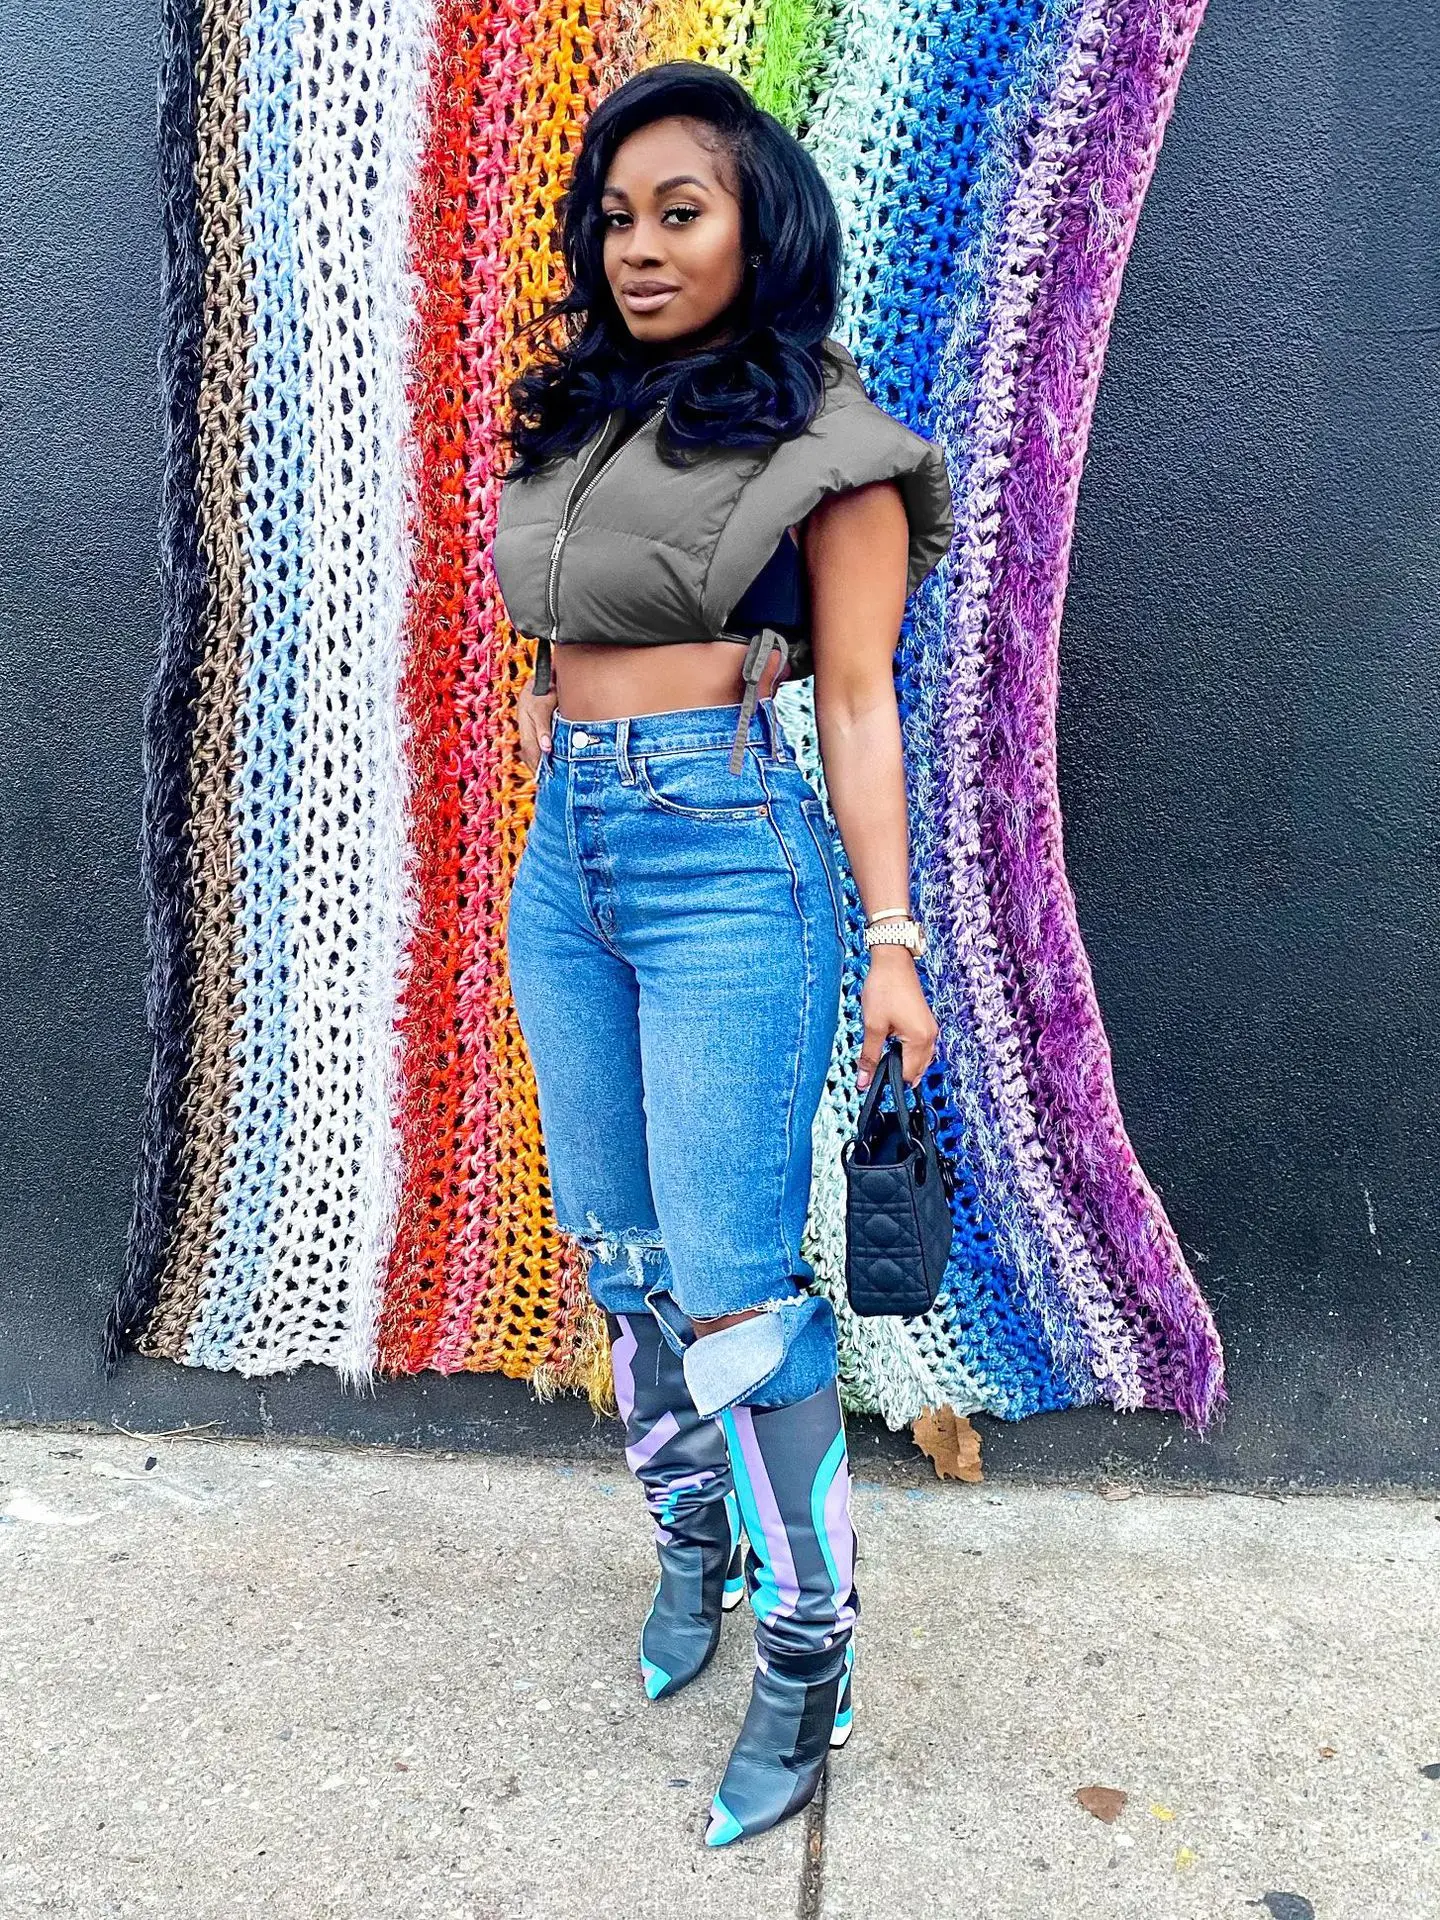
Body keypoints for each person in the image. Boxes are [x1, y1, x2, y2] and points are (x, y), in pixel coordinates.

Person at [492, 60, 953, 1848]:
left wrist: (895, 939)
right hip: (571, 860)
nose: (639, 246)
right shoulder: (589, 417)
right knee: (623, 1254)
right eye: (616, 217)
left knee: (736, 1288)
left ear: (761, 227)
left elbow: (861, 702)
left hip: (729, 862)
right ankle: (693, 1549)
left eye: (679, 211)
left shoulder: (831, 443)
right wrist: (566, 764)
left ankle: (809, 1658)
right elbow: (554, 641)